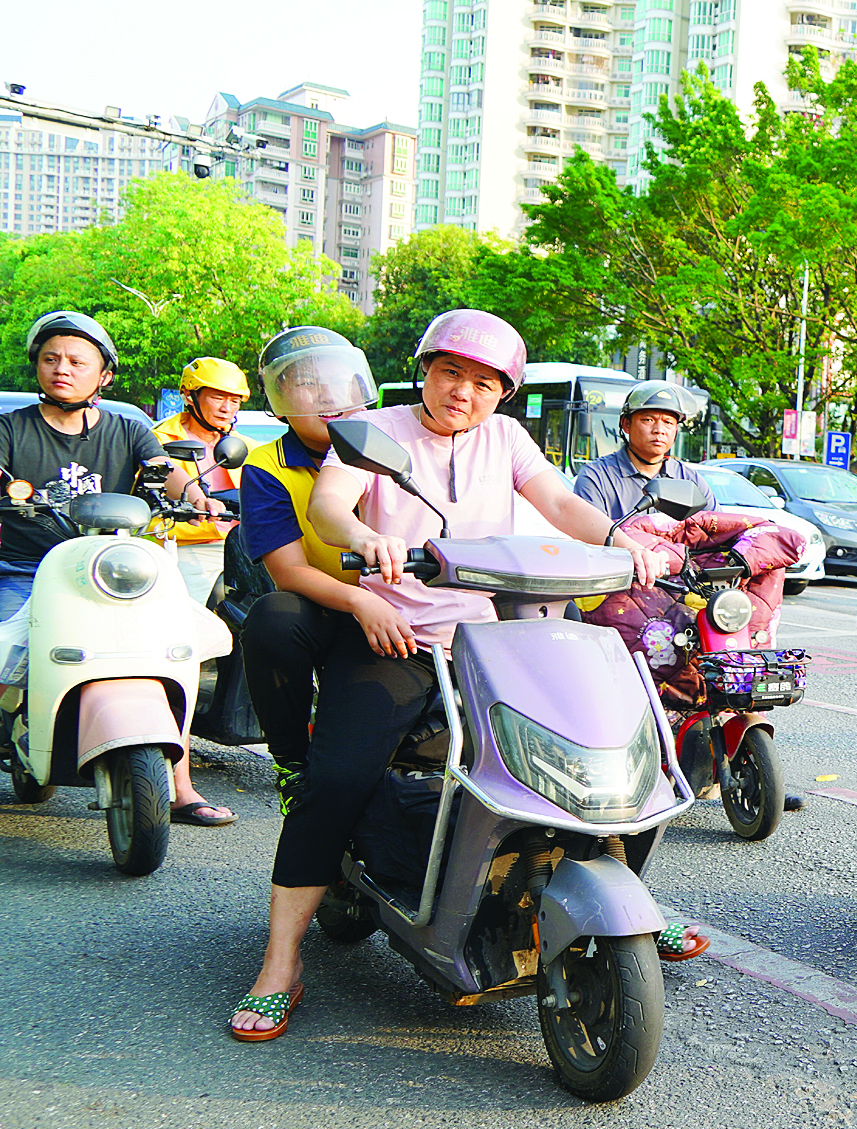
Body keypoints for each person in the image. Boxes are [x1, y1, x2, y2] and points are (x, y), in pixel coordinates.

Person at [228, 310, 671, 1040]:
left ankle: (619, 884)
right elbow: (333, 505)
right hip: (398, 636)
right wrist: (367, 536)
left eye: (484, 384)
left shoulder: (508, 439)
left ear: (503, 395)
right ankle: (281, 963)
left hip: (495, 637)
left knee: (589, 744)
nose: (464, 392)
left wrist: (621, 537)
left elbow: (560, 502)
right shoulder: (375, 429)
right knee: (333, 782)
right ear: (425, 372)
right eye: (450, 373)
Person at [1, 312, 234, 826]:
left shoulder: (128, 429)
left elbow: (164, 471)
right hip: (25, 567)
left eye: (77, 361)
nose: (62, 369)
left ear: (104, 375)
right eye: (51, 359)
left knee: (175, 652)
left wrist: (197, 496)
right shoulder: (10, 428)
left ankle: (179, 787)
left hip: (113, 572)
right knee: (2, 652)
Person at [232, 327, 383, 812]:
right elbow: (289, 572)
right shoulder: (266, 465)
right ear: (278, 399)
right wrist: (360, 601)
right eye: (305, 383)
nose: (326, 395)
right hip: (328, 606)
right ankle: (291, 762)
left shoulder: (395, 442)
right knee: (272, 617)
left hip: (409, 606)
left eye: (338, 381)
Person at [151, 356, 251, 611]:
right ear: (189, 395)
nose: (226, 408)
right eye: (218, 397)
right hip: (184, 544)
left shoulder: (248, 447)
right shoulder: (157, 442)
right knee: (184, 614)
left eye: (234, 401)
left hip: (242, 545)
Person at [572, 380, 714, 522]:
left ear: (676, 430)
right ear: (626, 425)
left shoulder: (690, 480)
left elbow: (718, 525)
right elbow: (590, 530)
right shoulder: (596, 476)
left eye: (668, 422)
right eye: (648, 420)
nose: (659, 430)